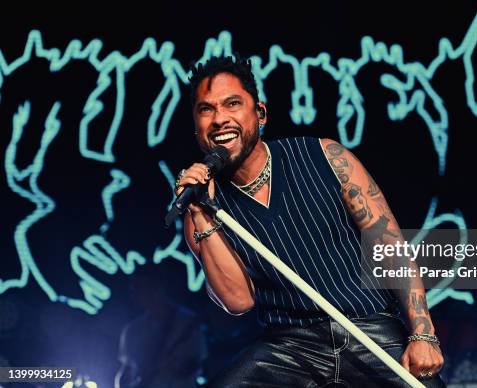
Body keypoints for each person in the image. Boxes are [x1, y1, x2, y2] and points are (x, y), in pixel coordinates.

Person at [175, 55, 445, 387]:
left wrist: (423, 333)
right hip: (290, 347)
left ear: (260, 113)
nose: (219, 119)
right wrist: (201, 212)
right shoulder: (202, 209)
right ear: (196, 125)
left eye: (232, 104)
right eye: (206, 109)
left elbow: (391, 247)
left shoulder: (326, 156)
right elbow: (238, 301)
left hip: (368, 327)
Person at [114, 265, 208, 388]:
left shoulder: (187, 322)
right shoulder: (132, 330)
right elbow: (126, 371)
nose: (134, 295)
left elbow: (199, 366)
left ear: (157, 286)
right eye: (134, 289)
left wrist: (176, 367)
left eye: (139, 288)